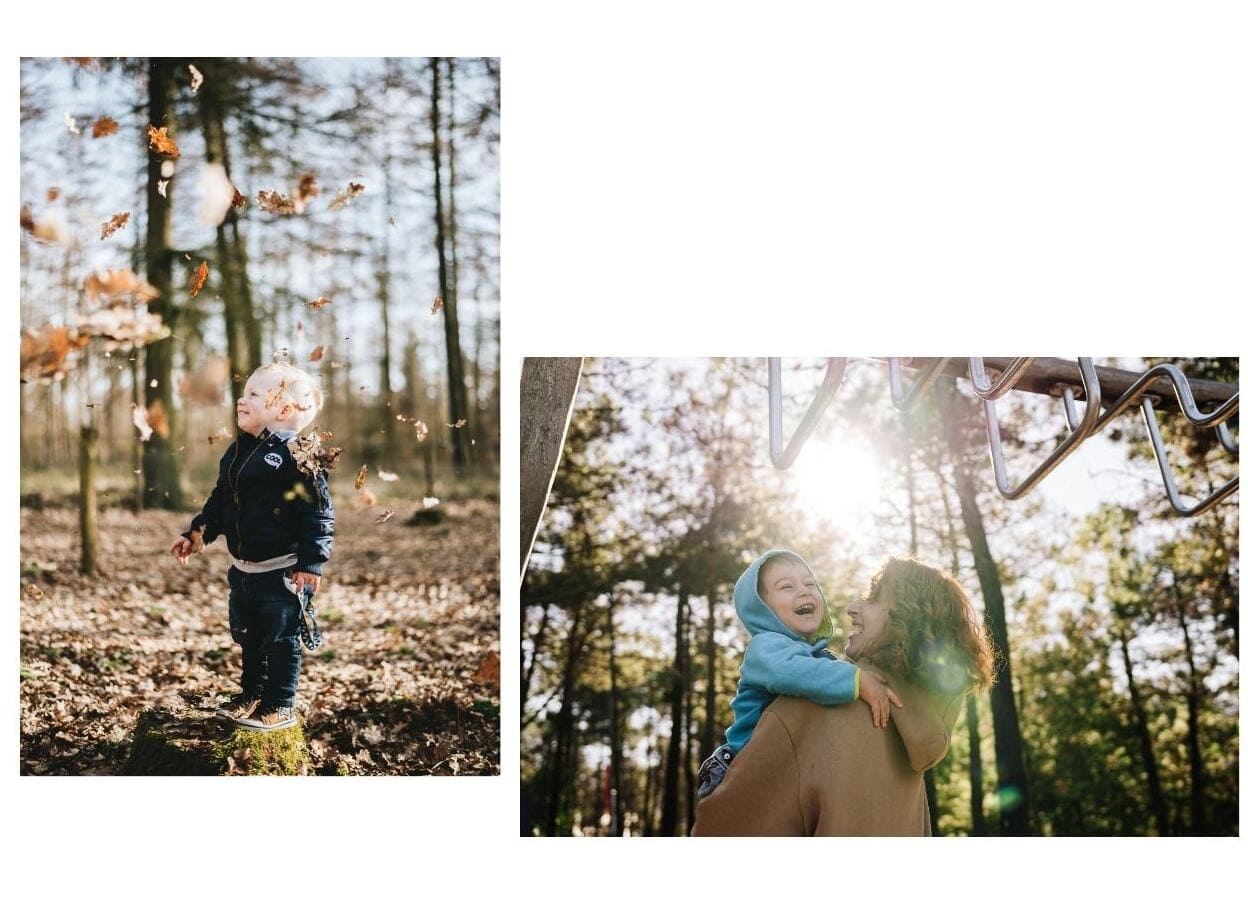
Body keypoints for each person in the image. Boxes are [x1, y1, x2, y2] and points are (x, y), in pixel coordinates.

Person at [693, 557, 996, 835]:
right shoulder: (909, 741)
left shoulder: (820, 709)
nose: (851, 607)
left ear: (908, 614)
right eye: (786, 587)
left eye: (874, 597)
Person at [170, 362, 335, 732]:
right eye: (244, 394)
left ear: (283, 410)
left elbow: (319, 513)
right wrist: (197, 533)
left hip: (281, 571)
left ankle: (280, 703)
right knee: (248, 634)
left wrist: (311, 562)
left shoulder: (298, 454)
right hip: (243, 570)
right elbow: (221, 501)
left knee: (279, 638)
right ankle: (252, 694)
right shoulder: (239, 451)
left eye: (254, 395)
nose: (241, 401)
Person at [696, 549, 901, 800]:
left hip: (783, 765)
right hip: (738, 763)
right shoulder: (766, 647)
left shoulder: (819, 659)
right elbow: (792, 673)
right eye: (786, 587)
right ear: (762, 608)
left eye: (809, 583)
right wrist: (856, 680)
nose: (804, 591)